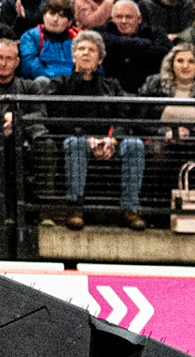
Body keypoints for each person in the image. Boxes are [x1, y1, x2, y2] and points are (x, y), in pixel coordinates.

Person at [47, 30, 145, 230]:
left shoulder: (112, 85)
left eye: (91, 50)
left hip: (108, 142)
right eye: (81, 49)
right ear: (73, 56)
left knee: (134, 144)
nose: (85, 54)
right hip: (76, 139)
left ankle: (131, 209)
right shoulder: (59, 84)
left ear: (100, 59)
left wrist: (114, 140)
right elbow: (57, 120)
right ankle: (75, 207)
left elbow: (124, 118)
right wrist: (86, 138)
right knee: (75, 143)